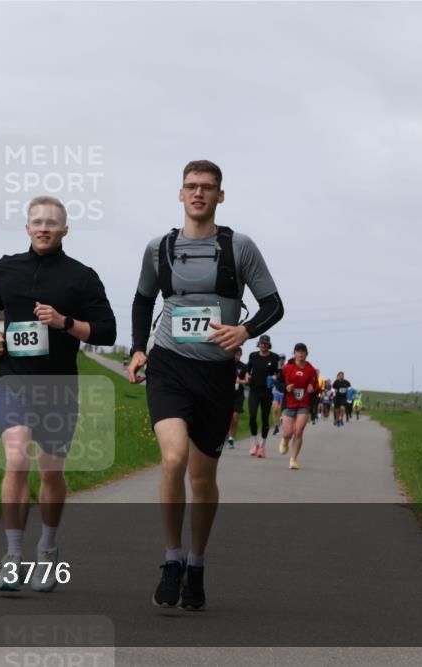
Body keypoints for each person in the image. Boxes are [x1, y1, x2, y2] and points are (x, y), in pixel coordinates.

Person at [127, 160, 284, 610]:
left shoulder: (240, 248)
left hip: (216, 375)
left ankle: (197, 563)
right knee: (173, 458)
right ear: (180, 194)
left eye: (207, 188)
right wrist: (139, 349)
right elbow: (142, 299)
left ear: (220, 196)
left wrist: (246, 332)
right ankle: (171, 559)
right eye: (191, 187)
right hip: (169, 365)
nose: (198, 194)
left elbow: (274, 304)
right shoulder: (160, 248)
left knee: (203, 477)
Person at [0, 195, 116, 592]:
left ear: (64, 230)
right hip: (14, 381)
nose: (43, 228)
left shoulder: (82, 276)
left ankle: (49, 548)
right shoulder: (7, 267)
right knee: (17, 458)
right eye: (36, 221)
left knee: (51, 472)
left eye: (51, 223)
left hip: (58, 386)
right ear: (26, 227)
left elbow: (107, 331)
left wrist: (64, 321)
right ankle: (13, 555)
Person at [278, 343, 319, 469]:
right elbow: (278, 384)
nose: (301, 354)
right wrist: (286, 387)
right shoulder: (287, 368)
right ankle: (285, 440)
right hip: (289, 403)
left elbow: (317, 387)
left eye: (303, 352)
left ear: (307, 354)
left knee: (299, 431)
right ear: (294, 353)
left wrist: (313, 389)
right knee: (288, 433)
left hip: (304, 403)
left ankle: (293, 459)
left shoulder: (311, 370)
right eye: (298, 351)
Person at [245, 335, 281, 457]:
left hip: (267, 392)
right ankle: (255, 443)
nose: (263, 345)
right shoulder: (253, 356)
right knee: (252, 416)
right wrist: (247, 376)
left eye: (265, 343)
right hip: (254, 391)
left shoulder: (275, 357)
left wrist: (276, 377)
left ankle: (262, 446)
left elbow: (280, 372)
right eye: (261, 343)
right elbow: (247, 369)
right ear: (258, 344)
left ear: (269, 345)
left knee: (265, 419)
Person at [226, 347, 248, 449]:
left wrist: (240, 381)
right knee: (226, 418)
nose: (237, 356)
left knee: (235, 418)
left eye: (239, 354)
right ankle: (224, 435)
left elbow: (247, 381)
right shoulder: (225, 364)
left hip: (238, 395)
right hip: (226, 394)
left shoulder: (243, 367)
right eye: (235, 354)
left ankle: (231, 439)